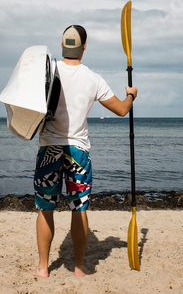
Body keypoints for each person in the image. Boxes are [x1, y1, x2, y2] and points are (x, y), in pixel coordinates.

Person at [33, 25, 138, 277]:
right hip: (77, 151)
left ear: (61, 46)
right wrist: (131, 95)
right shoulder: (93, 78)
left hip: (49, 149)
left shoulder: (47, 72)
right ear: (85, 46)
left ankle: (43, 267)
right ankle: (79, 267)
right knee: (78, 208)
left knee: (45, 208)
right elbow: (122, 110)